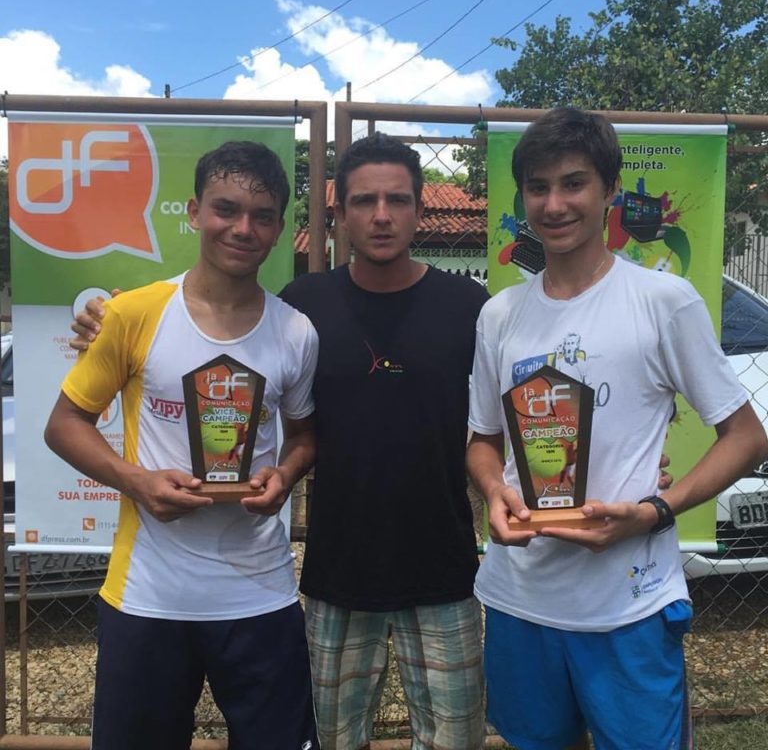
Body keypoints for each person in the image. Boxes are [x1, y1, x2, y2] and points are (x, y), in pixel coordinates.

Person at [69, 132, 673, 750]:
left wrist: (621, 466)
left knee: (454, 741)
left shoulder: (472, 307)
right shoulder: (300, 310)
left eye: (397, 200)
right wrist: (106, 320)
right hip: (338, 577)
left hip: (444, 574)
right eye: (363, 201)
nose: (381, 216)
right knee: (333, 740)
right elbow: (235, 348)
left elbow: (533, 401)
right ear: (339, 213)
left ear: (420, 210)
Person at [466, 107, 768, 750]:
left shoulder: (664, 301)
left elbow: (747, 438)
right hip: (520, 597)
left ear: (610, 190)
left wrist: (655, 512)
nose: (554, 204)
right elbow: (482, 441)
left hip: (628, 602)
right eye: (538, 187)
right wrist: (493, 491)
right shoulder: (500, 314)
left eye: (574, 183)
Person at [45, 141, 320, 750]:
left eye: (262, 215)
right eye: (226, 209)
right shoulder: (132, 314)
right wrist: (136, 481)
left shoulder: (295, 331)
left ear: (279, 228)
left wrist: (285, 475)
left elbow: (303, 436)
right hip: (149, 597)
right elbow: (64, 424)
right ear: (195, 212)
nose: (243, 228)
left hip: (260, 595)